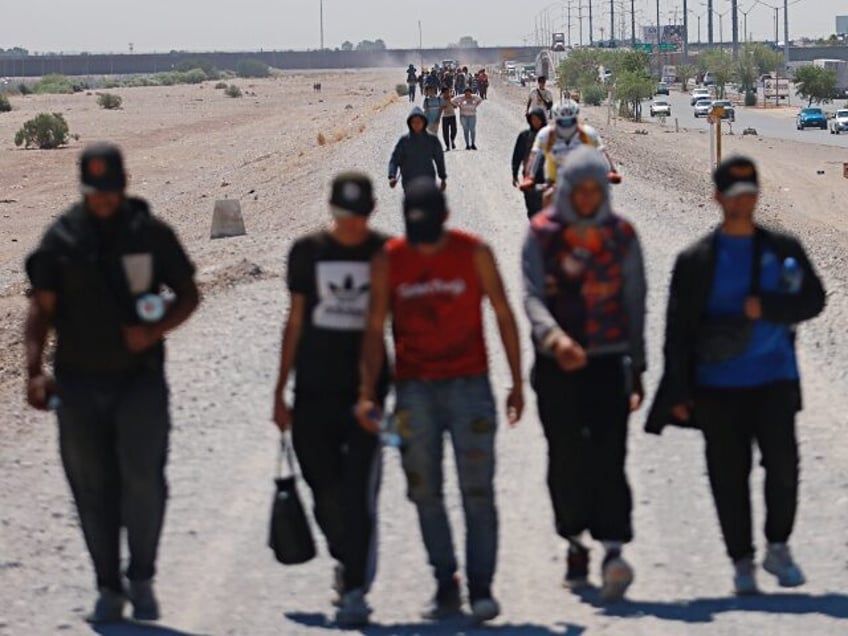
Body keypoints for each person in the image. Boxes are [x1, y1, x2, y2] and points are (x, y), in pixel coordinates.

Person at [24, 143, 200, 624]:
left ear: (123, 185)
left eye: (109, 191)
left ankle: (141, 576)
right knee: (91, 488)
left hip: (139, 381)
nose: (101, 200)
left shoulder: (149, 233)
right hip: (78, 385)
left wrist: (155, 330)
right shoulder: (62, 238)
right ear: (83, 190)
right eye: (93, 192)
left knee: (144, 482)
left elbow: (188, 294)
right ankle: (108, 585)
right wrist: (35, 369)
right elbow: (41, 308)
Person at [646, 156, 826, 596]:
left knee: (784, 467)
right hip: (717, 386)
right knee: (729, 475)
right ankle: (741, 560)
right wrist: (679, 390)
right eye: (734, 197)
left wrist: (769, 309)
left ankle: (777, 547)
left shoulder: (782, 248)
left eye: (749, 196)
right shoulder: (696, 260)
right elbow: (677, 333)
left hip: (775, 379)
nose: (743, 204)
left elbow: (814, 299)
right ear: (717, 199)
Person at [356, 179, 524, 624]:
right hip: (413, 392)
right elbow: (374, 331)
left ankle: (482, 587)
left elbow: (504, 313)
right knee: (423, 491)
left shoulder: (474, 253)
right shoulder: (390, 260)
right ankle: (445, 583)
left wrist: (517, 382)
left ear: (445, 218)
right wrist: (366, 393)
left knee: (477, 492)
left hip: (470, 387)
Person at [522, 145, 647, 602]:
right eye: (582, 190)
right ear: (570, 189)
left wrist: (639, 364)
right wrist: (554, 338)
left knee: (610, 456)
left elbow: (636, 301)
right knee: (566, 455)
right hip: (557, 365)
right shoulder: (542, 234)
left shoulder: (622, 235)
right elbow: (533, 297)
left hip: (610, 359)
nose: (590, 198)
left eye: (598, 190)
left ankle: (613, 550)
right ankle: (574, 541)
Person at [272, 172, 390, 627]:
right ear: (333, 212)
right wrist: (280, 390)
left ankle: (356, 587)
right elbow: (295, 322)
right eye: (345, 217)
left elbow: (378, 328)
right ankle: (346, 554)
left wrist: (368, 392)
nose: (353, 226)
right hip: (314, 388)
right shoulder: (308, 252)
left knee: (358, 488)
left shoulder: (383, 253)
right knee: (322, 485)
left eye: (360, 218)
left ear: (371, 213)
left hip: (366, 390)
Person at [388, 107, 447, 192]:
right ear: (410, 123)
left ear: (424, 122)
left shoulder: (432, 139)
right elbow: (395, 158)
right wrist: (392, 175)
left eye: (419, 122)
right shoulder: (404, 141)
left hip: (428, 180)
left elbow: (439, 159)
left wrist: (443, 178)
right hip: (409, 181)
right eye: (413, 122)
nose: (416, 124)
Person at [511, 106, 548, 218]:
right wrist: (514, 174)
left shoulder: (550, 135)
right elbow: (517, 155)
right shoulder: (524, 136)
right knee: (531, 208)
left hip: (547, 176)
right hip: (529, 176)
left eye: (538, 119)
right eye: (533, 119)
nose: (535, 122)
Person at [440, 86, 458, 152]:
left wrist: (451, 102)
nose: (447, 93)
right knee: (445, 132)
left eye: (448, 92)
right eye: (446, 92)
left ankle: (452, 140)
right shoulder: (440, 99)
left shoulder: (452, 97)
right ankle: (447, 146)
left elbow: (456, 106)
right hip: (445, 117)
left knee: (454, 130)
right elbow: (439, 108)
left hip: (452, 115)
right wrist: (443, 107)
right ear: (443, 93)